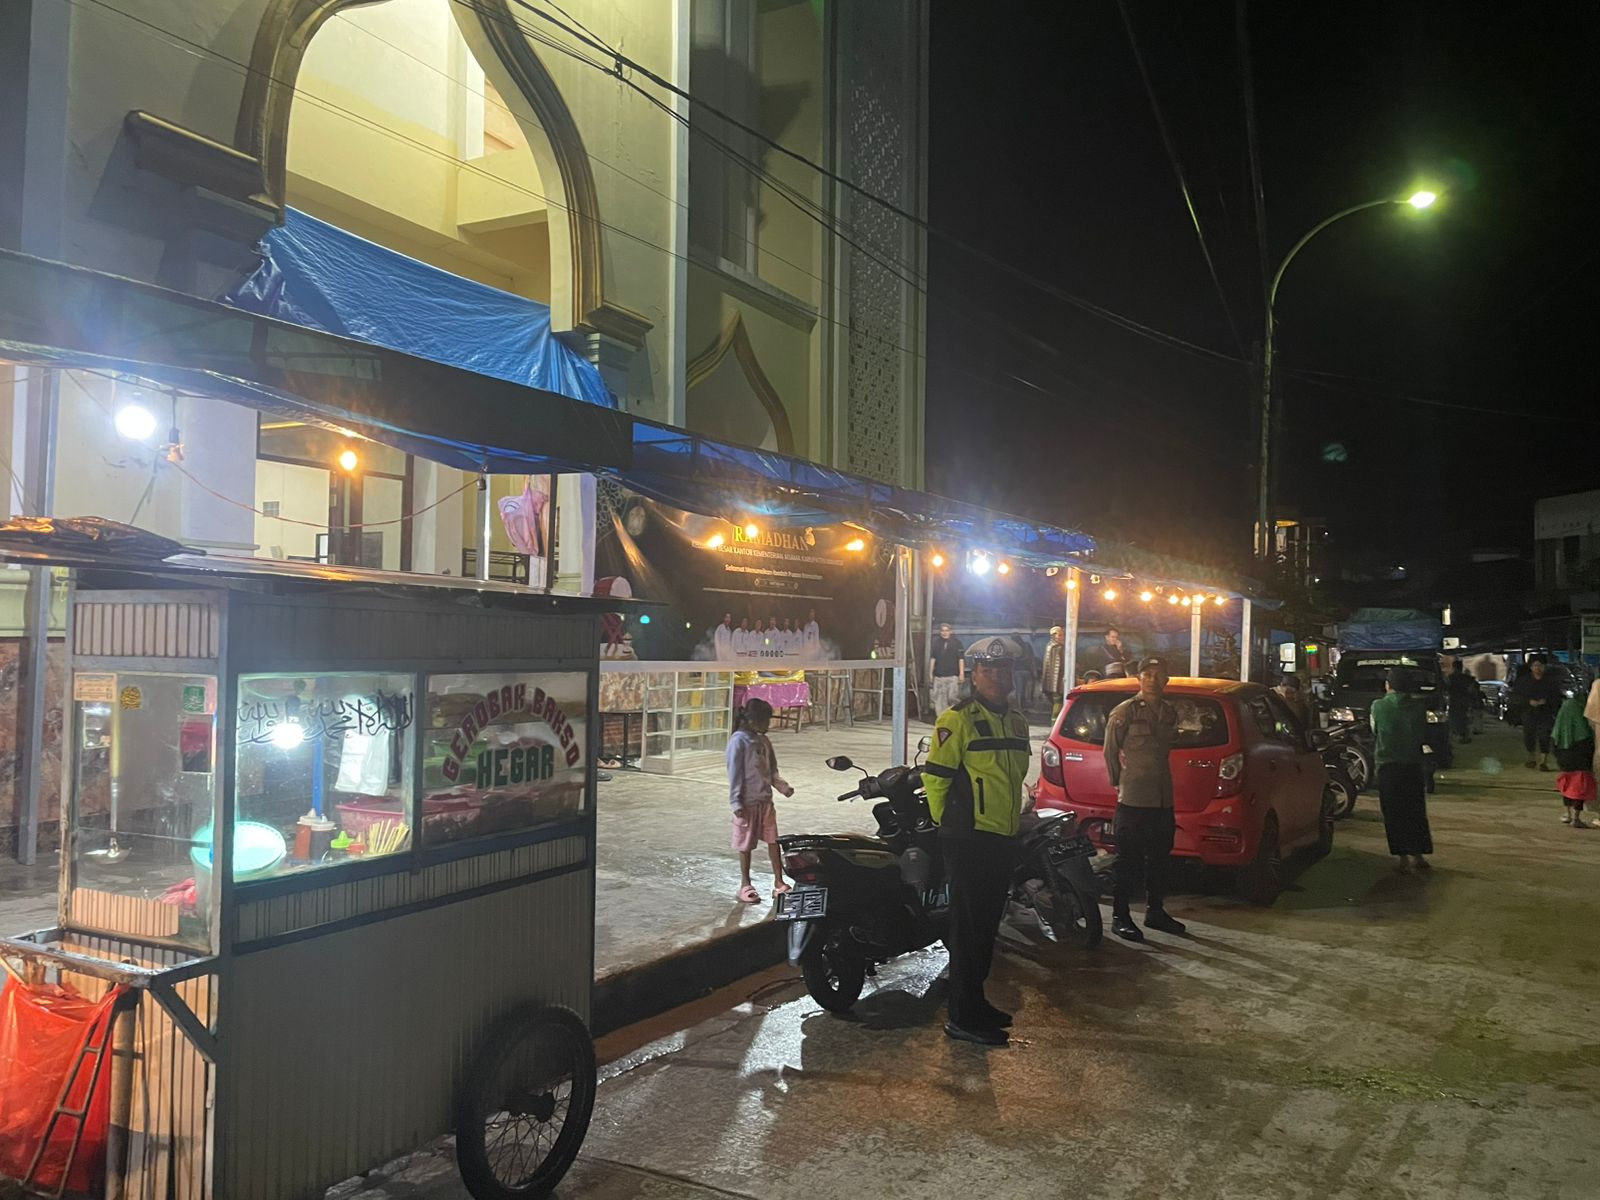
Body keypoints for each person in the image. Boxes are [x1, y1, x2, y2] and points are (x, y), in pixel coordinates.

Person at [922, 646, 1031, 1046]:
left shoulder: (1016, 722)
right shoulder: (957, 720)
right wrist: (949, 826)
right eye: (989, 670)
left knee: (986, 928)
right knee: (968, 930)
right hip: (970, 840)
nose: (998, 677)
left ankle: (976, 1003)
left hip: (1003, 837)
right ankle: (962, 1017)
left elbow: (1014, 778)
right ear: (974, 675)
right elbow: (935, 778)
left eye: (1004, 669)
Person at [1103, 657, 1186, 940]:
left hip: (1162, 798)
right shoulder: (1124, 711)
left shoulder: (1169, 712)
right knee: (1128, 861)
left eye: (1158, 674)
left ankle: (1156, 911)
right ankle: (1120, 916)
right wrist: (1118, 782)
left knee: (1160, 859)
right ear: (1138, 678)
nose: (1152, 679)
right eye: (1147, 674)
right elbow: (1110, 750)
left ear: (1166, 680)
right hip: (1134, 799)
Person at [726, 698, 794, 903]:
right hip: (747, 803)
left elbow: (771, 769)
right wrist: (736, 802)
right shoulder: (738, 741)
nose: (768, 725)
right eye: (765, 720)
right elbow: (734, 773)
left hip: (765, 801)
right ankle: (745, 883)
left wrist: (782, 786)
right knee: (745, 844)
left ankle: (779, 882)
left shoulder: (764, 741)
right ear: (753, 720)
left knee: (773, 841)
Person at [1370, 668, 1433, 872]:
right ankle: (1419, 855)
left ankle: (1403, 859)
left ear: (1388, 685)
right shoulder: (1419, 708)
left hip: (1388, 766)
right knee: (1415, 810)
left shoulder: (1378, 706)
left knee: (1393, 813)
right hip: (1412, 765)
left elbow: (1375, 730)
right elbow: (1423, 733)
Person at [1552, 694, 1596, 828]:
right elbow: (1589, 745)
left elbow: (1554, 745)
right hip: (1581, 763)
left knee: (1567, 787)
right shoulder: (1584, 732)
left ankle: (1567, 814)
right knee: (1579, 789)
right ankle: (1576, 818)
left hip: (1565, 761)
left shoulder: (1558, 730)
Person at [1513, 656, 1563, 770]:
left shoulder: (1551, 682)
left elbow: (1557, 698)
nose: (1538, 668)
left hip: (1545, 712)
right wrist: (1529, 702)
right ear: (1531, 667)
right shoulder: (1524, 681)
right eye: (1535, 666)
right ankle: (1531, 757)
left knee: (1544, 735)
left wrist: (1546, 701)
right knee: (1529, 735)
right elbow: (1516, 697)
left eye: (1540, 666)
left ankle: (1543, 761)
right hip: (1529, 712)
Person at [928, 622, 966, 715]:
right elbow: (933, 659)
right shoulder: (936, 643)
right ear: (940, 632)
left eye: (946, 631)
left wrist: (961, 673)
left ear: (950, 631)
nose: (944, 633)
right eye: (942, 631)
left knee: (952, 697)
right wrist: (930, 673)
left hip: (952, 675)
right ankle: (941, 718)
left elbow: (961, 659)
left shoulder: (957, 643)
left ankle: (953, 717)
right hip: (939, 676)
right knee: (939, 700)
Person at [1446, 659, 1476, 744]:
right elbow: (1471, 690)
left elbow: (1446, 688)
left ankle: (1455, 735)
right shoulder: (1468, 678)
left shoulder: (1450, 678)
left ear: (1454, 667)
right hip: (1464, 700)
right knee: (1464, 718)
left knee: (1454, 717)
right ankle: (1464, 736)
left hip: (1454, 700)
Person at [1042, 625, 1067, 719]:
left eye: (1063, 635)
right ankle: (1055, 724)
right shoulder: (1057, 647)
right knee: (1058, 703)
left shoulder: (1049, 646)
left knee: (1057, 703)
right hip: (1057, 684)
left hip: (1051, 683)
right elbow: (1060, 666)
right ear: (1053, 636)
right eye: (1060, 635)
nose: (1062, 637)